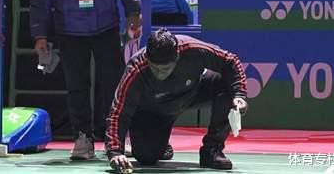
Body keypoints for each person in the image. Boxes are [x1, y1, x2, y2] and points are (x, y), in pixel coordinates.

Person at [30, 0, 142, 160]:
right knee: (76, 86)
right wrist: (40, 35)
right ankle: (83, 138)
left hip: (106, 25)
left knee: (114, 83)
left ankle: (117, 136)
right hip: (69, 30)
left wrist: (133, 12)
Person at [106, 29, 248, 172]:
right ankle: (160, 144)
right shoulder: (136, 69)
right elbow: (118, 113)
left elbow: (231, 61)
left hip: (191, 93)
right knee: (146, 156)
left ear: (177, 57)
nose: (159, 74)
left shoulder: (193, 49)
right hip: (153, 111)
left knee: (228, 86)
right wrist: (115, 152)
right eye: (155, 68)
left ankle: (212, 151)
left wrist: (239, 95)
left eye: (165, 69)